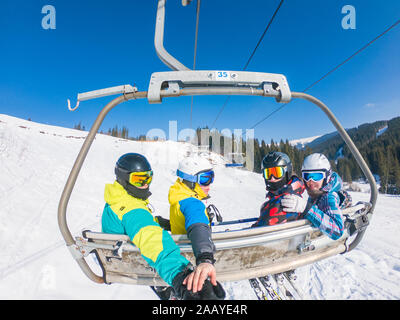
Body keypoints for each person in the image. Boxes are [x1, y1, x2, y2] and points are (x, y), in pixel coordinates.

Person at [101, 153, 224, 300]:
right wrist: (181, 277)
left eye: (148, 178)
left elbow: (140, 225)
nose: (146, 184)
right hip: (148, 263)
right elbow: (151, 238)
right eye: (139, 180)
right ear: (123, 177)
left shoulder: (116, 200)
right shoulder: (132, 210)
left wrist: (159, 222)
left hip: (127, 260)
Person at [168, 156, 221, 294]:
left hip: (179, 254)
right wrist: (205, 258)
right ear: (190, 180)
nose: (209, 185)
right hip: (191, 256)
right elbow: (198, 227)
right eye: (204, 179)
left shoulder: (179, 198)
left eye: (211, 178)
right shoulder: (193, 203)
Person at [281, 153, 350, 240]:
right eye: (307, 176)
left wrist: (306, 208)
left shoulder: (328, 197)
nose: (310, 181)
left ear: (326, 176)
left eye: (316, 176)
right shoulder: (317, 193)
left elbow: (337, 231)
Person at [252, 151, 306, 227]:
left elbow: (261, 230)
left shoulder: (285, 201)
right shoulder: (292, 192)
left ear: (287, 172)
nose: (272, 178)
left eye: (277, 173)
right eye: (268, 173)